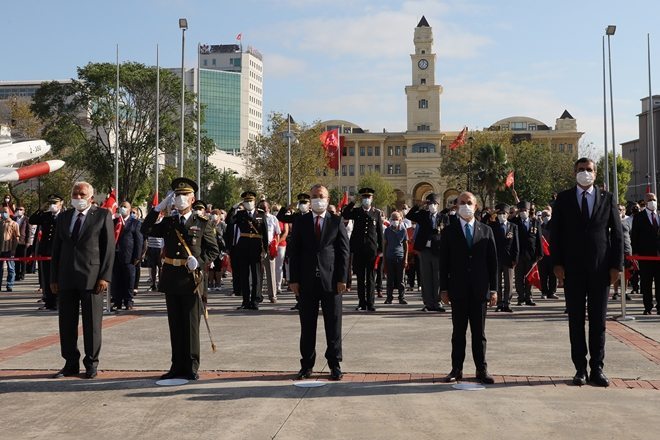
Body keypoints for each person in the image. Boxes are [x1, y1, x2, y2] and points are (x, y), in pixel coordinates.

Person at [551, 157, 623, 387]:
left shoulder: (607, 198)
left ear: (595, 173)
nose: (585, 173)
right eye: (581, 169)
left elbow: (617, 235)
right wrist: (557, 263)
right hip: (572, 269)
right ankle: (580, 368)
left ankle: (597, 368)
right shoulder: (563, 199)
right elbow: (556, 235)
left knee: (598, 320)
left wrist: (616, 266)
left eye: (589, 169)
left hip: (600, 269)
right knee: (576, 320)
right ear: (575, 173)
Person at [141, 177, 219, 380]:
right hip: (172, 278)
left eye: (184, 195)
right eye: (177, 195)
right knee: (175, 324)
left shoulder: (202, 223)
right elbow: (145, 229)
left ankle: (192, 366)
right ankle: (177, 365)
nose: (180, 198)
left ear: (192, 199)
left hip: (192, 280)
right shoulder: (169, 222)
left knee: (191, 325)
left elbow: (213, 250)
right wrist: (157, 208)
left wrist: (199, 262)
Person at [50, 182, 115, 379]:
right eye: (75, 193)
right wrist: (53, 277)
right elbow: (56, 250)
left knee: (92, 324)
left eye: (82, 194)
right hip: (67, 278)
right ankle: (70, 363)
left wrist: (105, 276)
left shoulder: (102, 215)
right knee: (67, 324)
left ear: (91, 197)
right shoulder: (64, 217)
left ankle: (91, 363)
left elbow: (109, 248)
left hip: (92, 278)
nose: (78, 197)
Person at [288, 184, 349, 381]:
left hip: (331, 281)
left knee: (333, 324)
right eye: (314, 196)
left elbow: (343, 253)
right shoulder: (301, 221)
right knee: (307, 326)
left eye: (321, 196)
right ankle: (306, 365)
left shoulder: (336, 221)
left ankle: (335, 364)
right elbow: (294, 252)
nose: (317, 199)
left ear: (328, 198)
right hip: (306, 282)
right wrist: (293, 279)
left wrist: (343, 278)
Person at [439, 191, 497, 384]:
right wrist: (444, 289)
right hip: (458, 289)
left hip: (480, 290)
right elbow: (444, 263)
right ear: (456, 206)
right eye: (461, 203)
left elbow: (492, 263)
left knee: (479, 333)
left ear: (476, 206)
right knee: (458, 332)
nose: (465, 206)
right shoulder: (449, 231)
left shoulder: (486, 231)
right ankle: (457, 369)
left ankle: (481, 369)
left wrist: (494, 289)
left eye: (469, 202)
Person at [225, 191, 268, 310]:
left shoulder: (261, 214)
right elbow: (229, 221)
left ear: (255, 201)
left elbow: (264, 232)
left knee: (256, 275)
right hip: (242, 247)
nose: (249, 203)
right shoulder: (240, 214)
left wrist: (265, 249)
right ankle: (245, 301)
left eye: (250, 201)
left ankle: (255, 300)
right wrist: (233, 208)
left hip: (256, 247)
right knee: (244, 275)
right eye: (246, 201)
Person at [341, 188, 383, 312]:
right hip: (358, 248)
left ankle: (370, 303)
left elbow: (379, 232)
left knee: (370, 277)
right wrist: (353, 202)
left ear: (372, 199)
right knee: (360, 278)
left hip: (371, 249)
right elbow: (345, 213)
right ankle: (361, 303)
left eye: (368, 197)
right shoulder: (356, 211)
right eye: (364, 198)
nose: (366, 200)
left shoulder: (376, 213)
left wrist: (381, 249)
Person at [405, 193, 445, 312]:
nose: (432, 206)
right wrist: (418, 205)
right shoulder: (423, 214)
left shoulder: (443, 217)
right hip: (425, 250)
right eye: (430, 203)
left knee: (437, 278)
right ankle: (428, 303)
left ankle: (437, 303)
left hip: (437, 251)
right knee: (426, 277)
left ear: (438, 205)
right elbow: (409, 215)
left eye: (434, 203)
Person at [29, 194, 64, 310]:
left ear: (61, 203)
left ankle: (58, 302)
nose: (53, 205)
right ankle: (49, 302)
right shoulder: (46, 215)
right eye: (51, 203)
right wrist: (41, 208)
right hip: (45, 251)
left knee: (57, 277)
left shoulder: (64, 216)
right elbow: (32, 220)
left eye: (55, 203)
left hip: (58, 252)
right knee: (46, 277)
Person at [630, 192, 660, 315]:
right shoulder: (639, 217)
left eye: (654, 199)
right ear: (645, 202)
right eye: (649, 200)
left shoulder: (659, 215)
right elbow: (635, 236)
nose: (652, 201)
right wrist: (635, 252)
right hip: (645, 255)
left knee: (659, 283)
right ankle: (647, 307)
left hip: (659, 256)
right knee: (646, 283)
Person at [111, 201, 143, 311]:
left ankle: (128, 301)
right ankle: (117, 301)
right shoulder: (115, 222)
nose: (122, 208)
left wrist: (137, 256)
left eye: (125, 207)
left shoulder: (135, 223)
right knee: (116, 280)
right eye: (121, 206)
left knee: (129, 279)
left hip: (129, 257)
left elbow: (139, 241)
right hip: (115, 255)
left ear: (129, 209)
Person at [511, 200, 543, 306]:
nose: (523, 212)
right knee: (519, 277)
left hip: (531, 255)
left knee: (530, 277)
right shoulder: (514, 222)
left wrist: (540, 253)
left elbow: (538, 239)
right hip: (519, 254)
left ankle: (529, 297)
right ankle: (521, 297)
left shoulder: (535, 222)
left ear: (529, 211)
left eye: (525, 210)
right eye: (521, 210)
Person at [490, 203, 518, 312]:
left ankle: (507, 303)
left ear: (507, 214)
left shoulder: (513, 226)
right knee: (497, 282)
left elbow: (516, 244)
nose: (502, 215)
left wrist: (515, 258)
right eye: (500, 213)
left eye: (504, 213)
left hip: (509, 259)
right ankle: (499, 303)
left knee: (509, 282)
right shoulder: (492, 226)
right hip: (496, 258)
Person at [258, 200, 281, 303]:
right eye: (261, 206)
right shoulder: (256, 218)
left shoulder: (273, 218)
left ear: (269, 208)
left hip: (269, 247)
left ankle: (272, 295)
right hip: (258, 247)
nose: (263, 208)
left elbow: (278, 233)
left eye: (265, 206)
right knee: (258, 272)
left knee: (271, 272)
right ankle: (258, 295)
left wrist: (275, 245)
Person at [383, 211, 408, 304]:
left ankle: (401, 297)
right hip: (389, 257)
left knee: (401, 279)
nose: (395, 221)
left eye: (396, 219)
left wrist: (405, 259)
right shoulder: (387, 230)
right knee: (390, 279)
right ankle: (389, 298)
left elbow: (406, 245)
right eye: (393, 219)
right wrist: (384, 260)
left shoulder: (403, 230)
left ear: (400, 220)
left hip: (400, 257)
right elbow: (385, 245)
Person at [0, 206, 19, 292]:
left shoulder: (14, 224)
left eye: (5, 212)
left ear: (9, 213)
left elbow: (16, 238)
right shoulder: (0, 223)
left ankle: (9, 285)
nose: (3, 213)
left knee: (11, 268)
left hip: (9, 249)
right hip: (1, 249)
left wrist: (14, 250)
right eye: (2, 212)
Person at [13, 206, 29, 281]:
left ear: (24, 211)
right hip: (15, 242)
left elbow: (28, 231)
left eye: (21, 209)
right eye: (18, 209)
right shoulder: (14, 218)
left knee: (23, 260)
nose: (19, 210)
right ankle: (16, 275)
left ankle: (22, 274)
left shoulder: (26, 219)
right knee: (16, 260)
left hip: (23, 242)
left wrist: (27, 241)